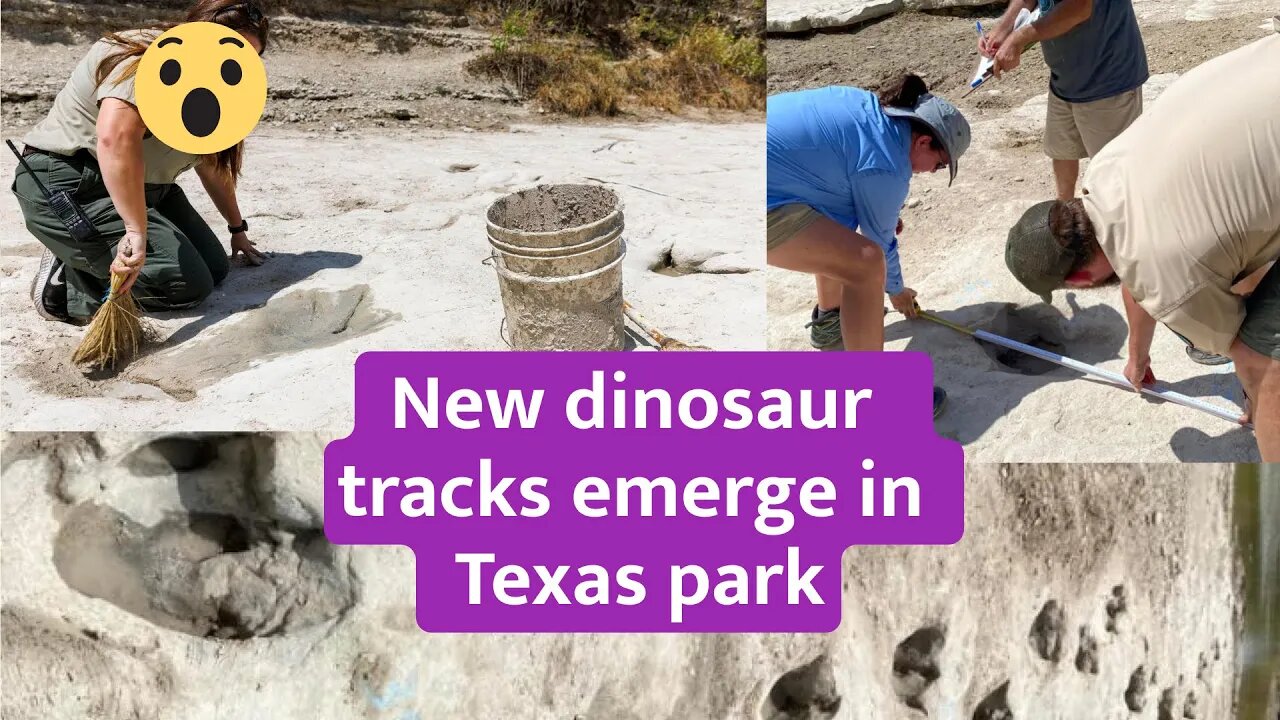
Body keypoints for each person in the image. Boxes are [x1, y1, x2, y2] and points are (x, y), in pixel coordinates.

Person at [1003, 34, 1280, 461]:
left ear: (1077, 279)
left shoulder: (1173, 284)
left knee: (1261, 360)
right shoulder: (1109, 169)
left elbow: (1249, 360)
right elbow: (1134, 265)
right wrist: (1138, 357)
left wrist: (1258, 402)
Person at [12, 0, 269, 327]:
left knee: (216, 268)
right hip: (72, 182)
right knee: (185, 284)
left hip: (145, 187)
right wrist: (134, 229)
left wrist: (237, 229)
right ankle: (68, 285)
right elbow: (115, 138)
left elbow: (213, 163)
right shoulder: (144, 58)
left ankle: (88, 248)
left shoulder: (221, 88)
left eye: (249, 56)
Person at [766, 75, 972, 418]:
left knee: (842, 235)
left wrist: (880, 216)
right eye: (940, 164)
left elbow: (842, 190)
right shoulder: (887, 164)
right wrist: (897, 291)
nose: (935, 172)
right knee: (865, 264)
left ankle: (831, 324)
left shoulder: (871, 111)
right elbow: (880, 244)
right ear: (922, 142)